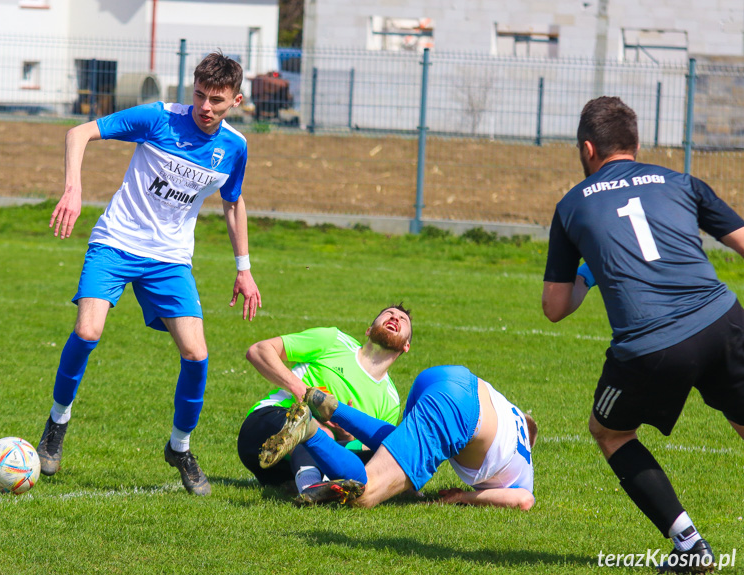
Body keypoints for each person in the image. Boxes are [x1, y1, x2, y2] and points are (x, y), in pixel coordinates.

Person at [36, 52, 262, 497]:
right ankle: (56, 423)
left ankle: (179, 447)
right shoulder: (159, 118)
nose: (205, 107)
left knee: (197, 356)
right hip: (116, 243)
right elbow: (79, 132)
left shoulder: (234, 147)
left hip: (170, 259)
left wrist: (244, 268)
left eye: (216, 100)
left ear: (235, 100)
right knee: (87, 331)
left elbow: (233, 203)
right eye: (199, 95)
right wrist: (73, 188)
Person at [542, 96, 744, 573]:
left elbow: (554, 308)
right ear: (635, 145)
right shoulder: (680, 181)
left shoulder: (571, 205)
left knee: (609, 431)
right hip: (723, 319)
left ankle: (690, 547)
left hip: (652, 344)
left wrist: (589, 275)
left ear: (588, 149)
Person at [260, 365, 536, 510]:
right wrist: (462, 496)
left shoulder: (513, 420)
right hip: (459, 409)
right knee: (364, 495)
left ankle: (335, 409)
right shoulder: (523, 474)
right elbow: (524, 500)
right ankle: (310, 431)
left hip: (450, 376)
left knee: (397, 443)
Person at [239, 305, 412, 493]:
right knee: (317, 430)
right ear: (368, 330)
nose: (395, 318)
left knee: (375, 458)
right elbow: (259, 350)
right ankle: (310, 488)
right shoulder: (334, 341)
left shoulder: (391, 399)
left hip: (285, 469)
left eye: (402, 320)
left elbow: (374, 453)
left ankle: (308, 483)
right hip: (262, 428)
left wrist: (346, 434)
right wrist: (304, 392)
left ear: (406, 346)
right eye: (389, 314)